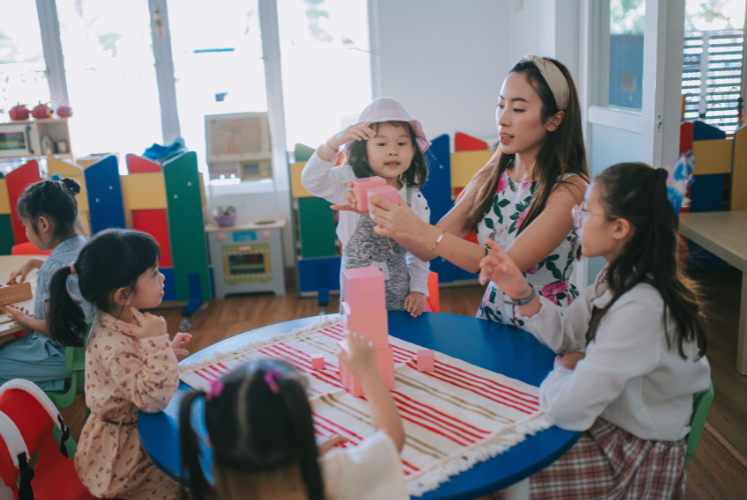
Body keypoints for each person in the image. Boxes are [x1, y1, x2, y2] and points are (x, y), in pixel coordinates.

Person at [478, 162, 711, 498]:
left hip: (633, 451)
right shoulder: (614, 278)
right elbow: (568, 334)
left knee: (501, 477)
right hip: (608, 421)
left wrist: (563, 369)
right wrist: (522, 293)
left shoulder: (642, 307)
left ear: (619, 228)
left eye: (585, 211)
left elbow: (567, 408)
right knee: (498, 435)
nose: (577, 222)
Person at [359, 57, 589, 325]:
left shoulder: (570, 189)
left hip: (547, 321)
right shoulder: (494, 174)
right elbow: (426, 251)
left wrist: (419, 228)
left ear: (554, 120)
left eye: (518, 109)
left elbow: (504, 267)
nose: (502, 119)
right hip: (494, 314)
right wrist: (376, 206)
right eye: (501, 105)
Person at [48, 229, 191, 500]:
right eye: (153, 273)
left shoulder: (123, 320)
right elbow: (151, 399)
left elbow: (132, 375)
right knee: (187, 483)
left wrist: (164, 351)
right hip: (127, 458)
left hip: (138, 430)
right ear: (123, 294)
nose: (162, 277)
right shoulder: (113, 343)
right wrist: (157, 344)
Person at [180, 333, 408, 500]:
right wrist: (367, 371)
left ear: (212, 440)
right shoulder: (331, 475)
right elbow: (390, 438)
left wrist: (304, 453)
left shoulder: (216, 491)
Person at [302, 97, 431, 317]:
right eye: (381, 144)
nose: (392, 151)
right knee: (360, 341)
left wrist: (418, 289)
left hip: (400, 294)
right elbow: (312, 181)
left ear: (412, 151)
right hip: (357, 293)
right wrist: (333, 143)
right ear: (364, 150)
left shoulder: (414, 197)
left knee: (400, 342)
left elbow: (420, 251)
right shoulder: (348, 180)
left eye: (401, 143)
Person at [0, 174, 90, 391]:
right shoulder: (85, 245)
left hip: (62, 352)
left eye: (25, 226)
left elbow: (53, 327)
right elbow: (69, 270)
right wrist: (34, 262)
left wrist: (22, 318)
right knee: (5, 349)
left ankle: (68, 384)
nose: (26, 232)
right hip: (89, 344)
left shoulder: (51, 270)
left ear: (43, 224)